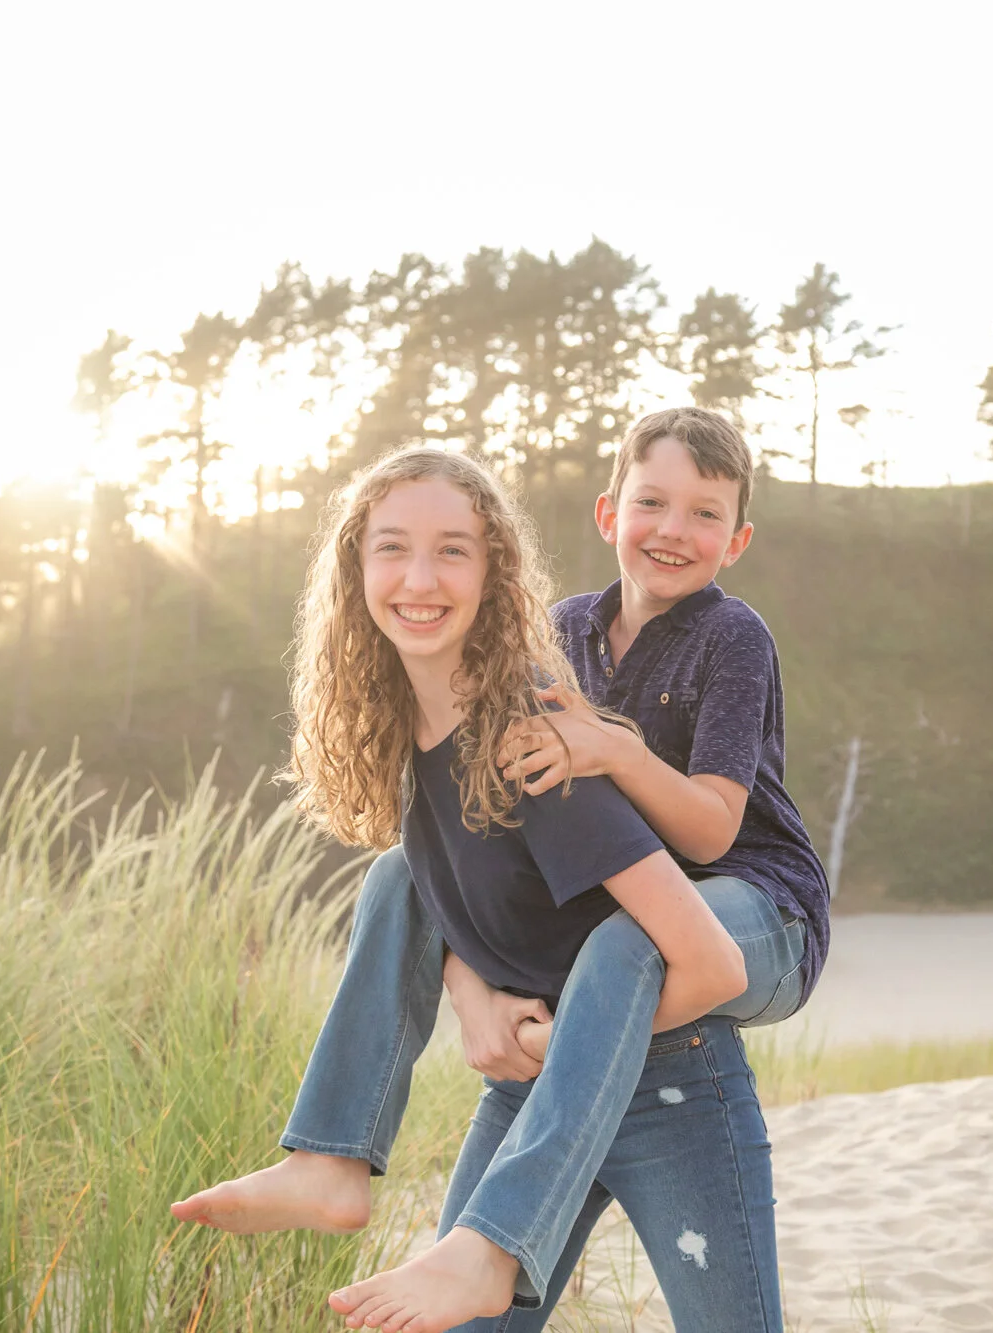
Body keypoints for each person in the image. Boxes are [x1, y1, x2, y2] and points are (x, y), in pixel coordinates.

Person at [174, 444, 789, 1331]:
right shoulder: (403, 729)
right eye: (392, 546)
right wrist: (473, 999)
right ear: (353, 567)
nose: (419, 576)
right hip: (535, 1100)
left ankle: (482, 1239)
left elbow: (709, 960)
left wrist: (577, 1037)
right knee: (394, 875)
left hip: (672, 1087)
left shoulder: (534, 737)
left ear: (495, 572)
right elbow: (435, 900)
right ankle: (334, 1157)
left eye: (453, 549)